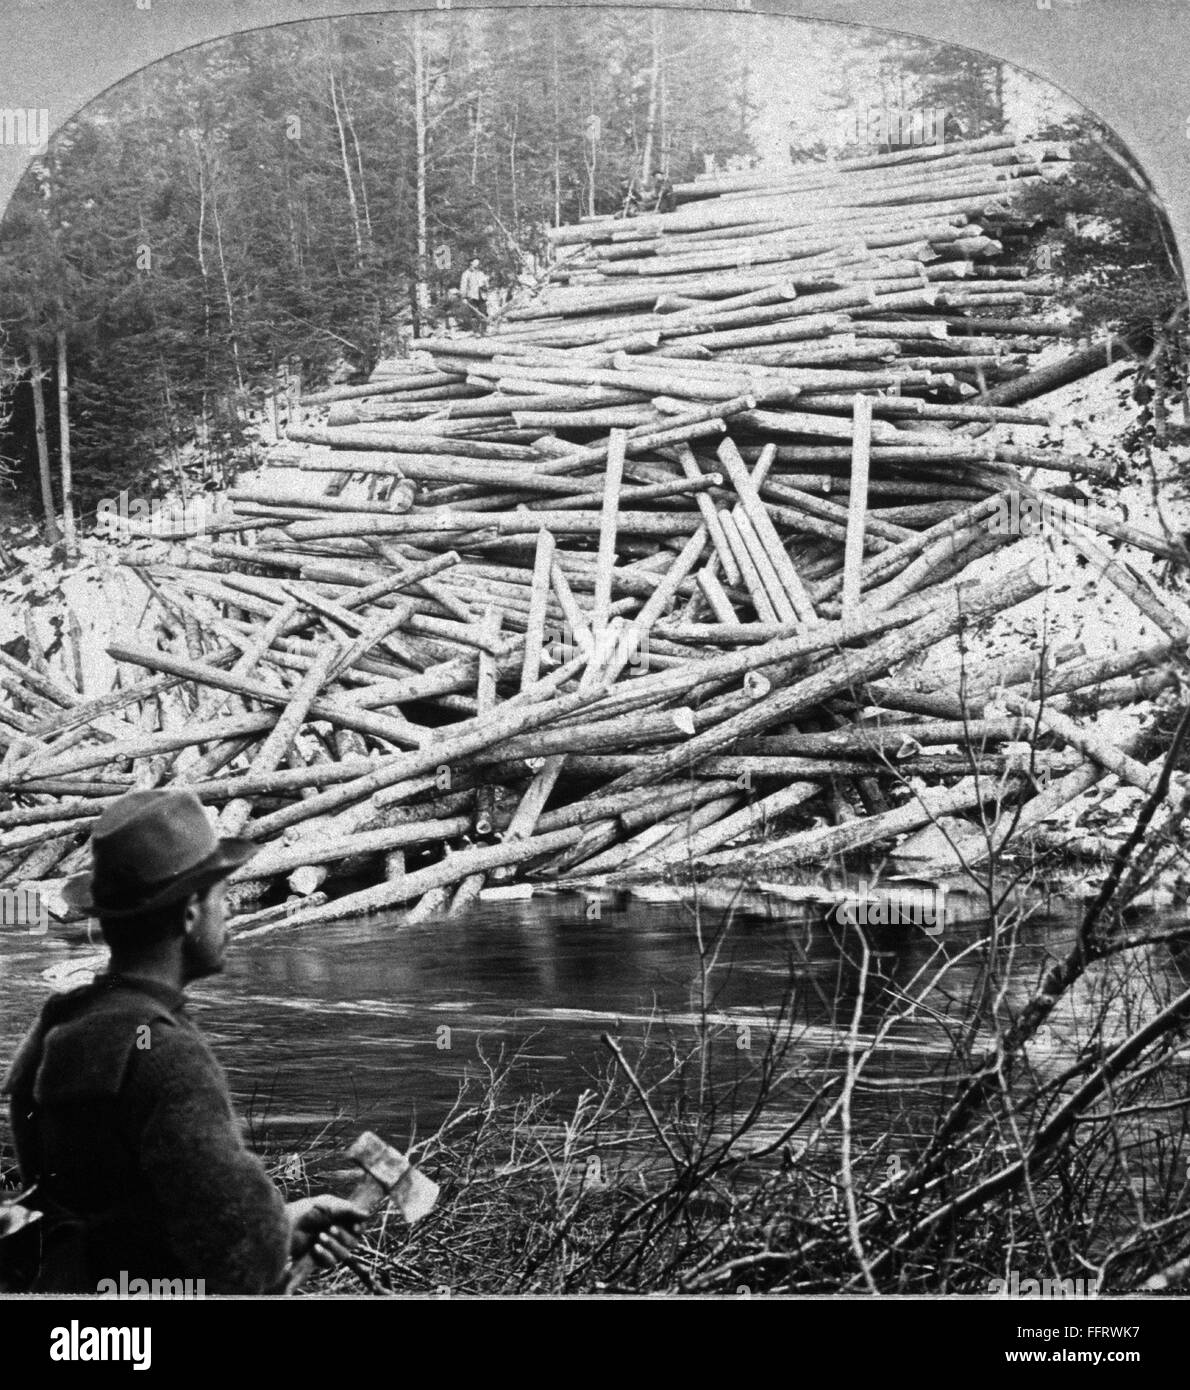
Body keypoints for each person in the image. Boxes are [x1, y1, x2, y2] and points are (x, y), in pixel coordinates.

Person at [1, 788, 366, 1294]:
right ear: (191, 913)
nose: (229, 917)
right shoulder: (165, 1053)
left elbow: (112, 1206)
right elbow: (234, 1253)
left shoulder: (63, 1023)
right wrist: (272, 1237)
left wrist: (284, 1224)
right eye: (221, 898)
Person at [458, 257, 489, 332]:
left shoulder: (481, 273)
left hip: (482, 296)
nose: (478, 263)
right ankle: (476, 331)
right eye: (476, 262)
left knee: (484, 313)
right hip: (472, 296)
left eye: (478, 262)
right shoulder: (466, 273)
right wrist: (464, 297)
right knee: (474, 315)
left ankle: (484, 331)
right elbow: (463, 286)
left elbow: (486, 284)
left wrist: (485, 285)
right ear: (471, 263)